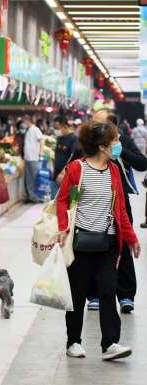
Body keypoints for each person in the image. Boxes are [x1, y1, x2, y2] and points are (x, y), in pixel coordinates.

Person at [56, 121, 139, 361]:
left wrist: (131, 238)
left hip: (109, 243)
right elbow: (67, 201)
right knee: (78, 294)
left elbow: (120, 208)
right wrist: (63, 227)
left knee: (108, 290)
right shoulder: (77, 169)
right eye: (114, 141)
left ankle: (110, 343)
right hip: (80, 242)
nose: (118, 145)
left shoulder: (113, 170)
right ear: (103, 146)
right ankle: (73, 341)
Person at [84, 115, 147, 313]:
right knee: (91, 245)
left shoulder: (123, 142)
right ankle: (93, 294)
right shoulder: (92, 143)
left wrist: (120, 152)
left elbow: (142, 163)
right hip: (92, 204)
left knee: (122, 246)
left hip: (120, 201)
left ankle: (126, 295)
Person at [52, 116, 78, 198]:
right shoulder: (59, 138)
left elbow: (72, 156)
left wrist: (63, 172)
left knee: (67, 200)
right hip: (56, 174)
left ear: (65, 127)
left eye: (57, 128)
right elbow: (57, 154)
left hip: (67, 175)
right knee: (54, 200)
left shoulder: (74, 139)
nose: (56, 130)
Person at [23, 115, 45, 203]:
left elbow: (42, 140)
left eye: (24, 121)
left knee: (36, 178)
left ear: (28, 121)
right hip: (28, 158)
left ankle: (38, 196)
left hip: (34, 158)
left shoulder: (35, 129)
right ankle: (31, 196)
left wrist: (40, 152)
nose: (24, 123)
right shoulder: (28, 130)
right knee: (29, 179)